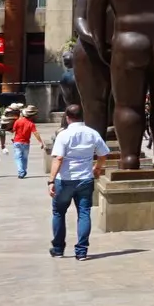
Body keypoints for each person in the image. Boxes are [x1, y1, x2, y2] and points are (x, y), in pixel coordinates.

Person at [48, 100, 110, 260]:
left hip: (65, 179)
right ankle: (81, 251)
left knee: (58, 212)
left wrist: (51, 180)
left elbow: (58, 158)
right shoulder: (92, 133)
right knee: (84, 213)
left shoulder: (63, 135)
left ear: (67, 117)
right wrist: (97, 168)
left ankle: (58, 248)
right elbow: (103, 154)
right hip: (85, 179)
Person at [11, 106, 39, 179]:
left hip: (17, 141)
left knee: (18, 158)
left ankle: (21, 172)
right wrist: (41, 142)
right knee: (25, 158)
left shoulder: (18, 121)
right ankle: (23, 170)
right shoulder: (31, 123)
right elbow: (35, 133)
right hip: (26, 143)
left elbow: (13, 130)